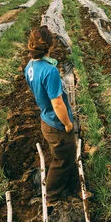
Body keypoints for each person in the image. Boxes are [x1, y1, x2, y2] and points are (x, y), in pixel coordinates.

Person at [24, 25, 76, 206]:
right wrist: (68, 124)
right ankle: (51, 197)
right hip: (56, 124)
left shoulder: (30, 66)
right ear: (49, 46)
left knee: (66, 156)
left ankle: (71, 186)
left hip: (45, 118)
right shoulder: (50, 71)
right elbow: (57, 103)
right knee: (62, 160)